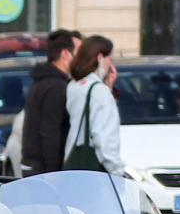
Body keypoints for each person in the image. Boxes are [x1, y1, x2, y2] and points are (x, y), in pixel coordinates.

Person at [14, 28, 81, 176]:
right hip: (44, 169)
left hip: (35, 165)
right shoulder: (56, 86)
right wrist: (53, 171)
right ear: (65, 54)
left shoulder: (43, 80)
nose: (81, 57)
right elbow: (50, 130)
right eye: (79, 52)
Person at [61, 35, 124, 176]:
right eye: (110, 60)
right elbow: (104, 138)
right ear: (100, 58)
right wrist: (117, 171)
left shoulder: (73, 85)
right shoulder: (99, 91)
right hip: (95, 171)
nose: (111, 67)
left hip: (72, 161)